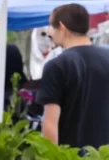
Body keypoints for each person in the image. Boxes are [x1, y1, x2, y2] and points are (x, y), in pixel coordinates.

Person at [39, 4, 109, 148]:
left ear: (62, 27)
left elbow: (50, 124)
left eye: (52, 27)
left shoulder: (57, 65)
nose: (50, 33)